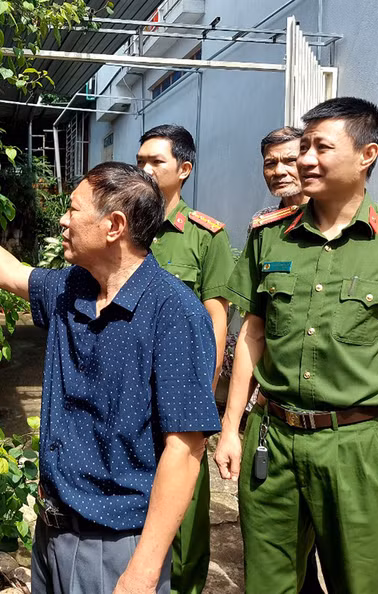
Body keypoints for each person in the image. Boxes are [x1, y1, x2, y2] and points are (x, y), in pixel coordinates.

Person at [0, 162, 222, 594]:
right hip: (52, 530)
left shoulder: (174, 313)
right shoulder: (75, 287)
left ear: (114, 226)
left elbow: (186, 449)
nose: (62, 219)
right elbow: (10, 273)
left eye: (72, 209)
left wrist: (143, 570)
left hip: (116, 544)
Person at [214, 97, 378, 594]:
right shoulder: (270, 236)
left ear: (366, 154)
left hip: (357, 448)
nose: (304, 159)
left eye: (320, 148)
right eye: (302, 146)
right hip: (273, 440)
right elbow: (252, 334)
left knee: (363, 584)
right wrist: (231, 429)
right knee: (268, 584)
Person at [136, 124, 234, 594]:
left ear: (184, 169)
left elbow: (217, 313)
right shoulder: (122, 225)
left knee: (187, 508)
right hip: (129, 390)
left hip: (178, 393)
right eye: (141, 161)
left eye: (156, 161)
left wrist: (204, 384)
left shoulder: (205, 236)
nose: (146, 169)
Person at [253, 126, 324, 594]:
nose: (278, 171)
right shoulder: (266, 228)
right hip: (277, 416)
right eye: (269, 164)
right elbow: (259, 321)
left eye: (287, 160)